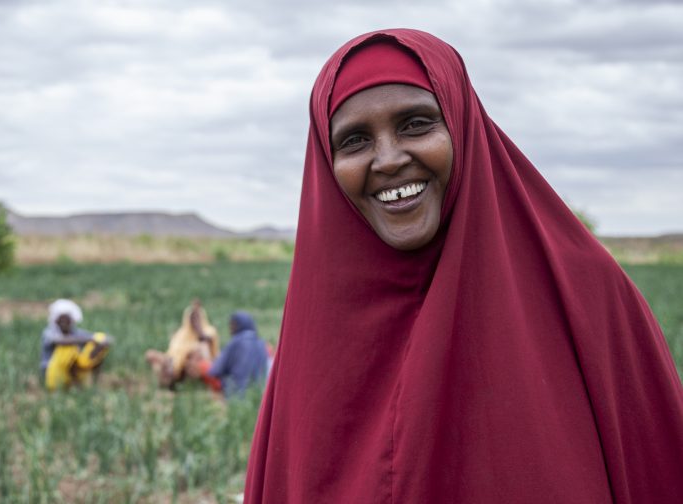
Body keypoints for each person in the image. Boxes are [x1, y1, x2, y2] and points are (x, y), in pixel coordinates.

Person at [243, 29, 683, 503]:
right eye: (355, 140)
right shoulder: (315, 332)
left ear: (462, 124)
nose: (388, 159)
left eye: (415, 124)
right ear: (327, 162)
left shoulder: (584, 294)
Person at [187, 311, 269, 399]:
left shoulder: (236, 342)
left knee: (202, 366)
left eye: (232, 326)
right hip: (259, 392)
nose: (230, 330)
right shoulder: (262, 344)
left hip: (236, 392)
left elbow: (215, 370)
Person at [145, 299, 220, 388]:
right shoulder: (182, 333)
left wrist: (200, 333)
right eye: (192, 318)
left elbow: (210, 351)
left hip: (195, 366)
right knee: (150, 355)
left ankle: (184, 382)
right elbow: (173, 352)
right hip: (175, 364)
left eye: (197, 318)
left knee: (198, 352)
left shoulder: (209, 331)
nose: (194, 322)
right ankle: (169, 375)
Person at [40, 299, 111, 391]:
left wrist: (99, 343)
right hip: (51, 373)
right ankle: (58, 386)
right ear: (56, 320)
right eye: (62, 320)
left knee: (99, 338)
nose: (64, 323)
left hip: (70, 371)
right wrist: (89, 339)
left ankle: (89, 382)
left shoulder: (74, 332)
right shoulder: (49, 332)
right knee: (67, 348)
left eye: (67, 320)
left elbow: (103, 338)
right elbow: (61, 341)